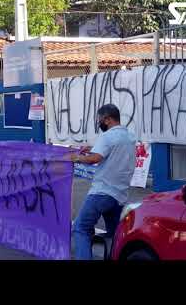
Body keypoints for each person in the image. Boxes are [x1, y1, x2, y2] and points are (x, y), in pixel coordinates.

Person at [70, 104, 136, 260]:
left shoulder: (107, 137)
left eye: (100, 120)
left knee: (81, 228)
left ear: (107, 119)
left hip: (102, 192)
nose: (99, 123)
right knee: (114, 234)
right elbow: (111, 150)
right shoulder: (130, 137)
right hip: (120, 195)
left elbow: (95, 159)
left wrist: (76, 158)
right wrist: (93, 148)